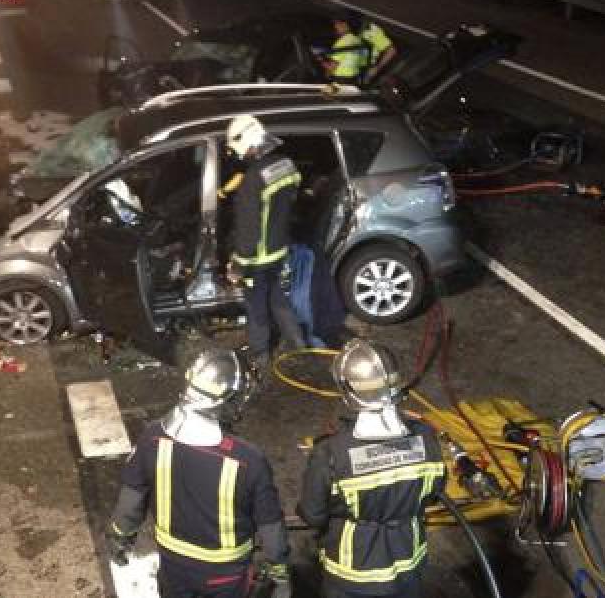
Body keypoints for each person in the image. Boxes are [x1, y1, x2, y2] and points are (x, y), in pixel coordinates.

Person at [108, 348, 292, 598]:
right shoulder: (248, 460)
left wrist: (119, 539)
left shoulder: (152, 438)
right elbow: (271, 528)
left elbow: (130, 503)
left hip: (174, 569)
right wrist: (279, 572)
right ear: (224, 401)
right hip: (226, 577)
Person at [297, 341, 446, 598]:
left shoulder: (330, 453)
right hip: (408, 566)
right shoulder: (427, 439)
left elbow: (313, 515)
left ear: (348, 391)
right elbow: (433, 494)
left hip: (352, 574)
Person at [225, 115, 305, 372]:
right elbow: (292, 199)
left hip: (257, 260)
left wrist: (238, 266)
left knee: (257, 309)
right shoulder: (287, 165)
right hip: (280, 250)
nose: (240, 156)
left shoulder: (252, 180)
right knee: (280, 300)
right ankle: (299, 345)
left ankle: (260, 355)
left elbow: (248, 230)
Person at [351, 11, 397, 86]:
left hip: (364, 69)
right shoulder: (357, 32)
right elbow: (392, 51)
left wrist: (377, 67)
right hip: (354, 68)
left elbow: (391, 51)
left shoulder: (373, 31)